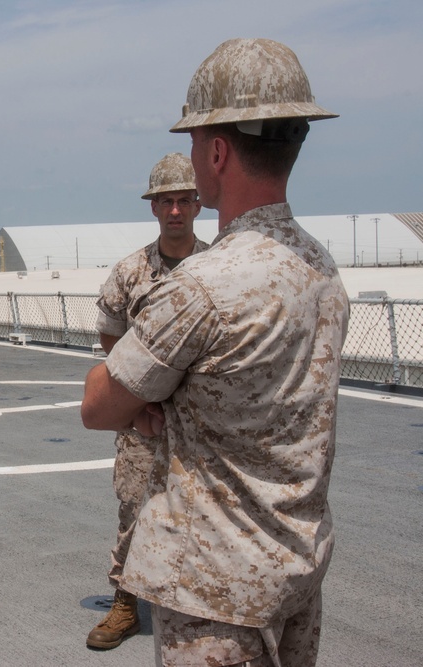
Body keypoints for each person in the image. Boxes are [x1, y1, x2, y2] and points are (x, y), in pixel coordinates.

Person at [80, 39, 348, 667]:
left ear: (218, 151)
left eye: (197, 141)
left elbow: (99, 404)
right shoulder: (321, 267)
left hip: (214, 592)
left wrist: (149, 404)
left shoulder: (201, 286)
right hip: (295, 573)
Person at [86, 152, 209, 651]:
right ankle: (124, 605)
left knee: (205, 514)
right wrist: (139, 402)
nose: (175, 210)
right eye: (166, 201)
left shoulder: (216, 266)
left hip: (202, 420)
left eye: (184, 200)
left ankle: (201, 604)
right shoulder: (131, 272)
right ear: (153, 208)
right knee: (134, 508)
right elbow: (111, 341)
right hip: (143, 422)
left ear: (198, 204)